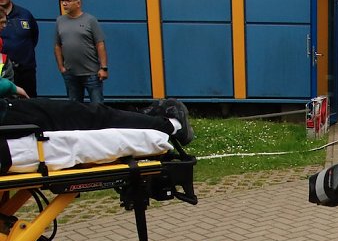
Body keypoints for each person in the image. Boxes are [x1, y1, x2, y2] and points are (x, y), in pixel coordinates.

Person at [0, 73, 194, 146]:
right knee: (93, 116)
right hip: (8, 116)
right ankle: (170, 126)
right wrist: (9, 87)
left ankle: (147, 119)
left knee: (91, 113)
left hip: (9, 112)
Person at [54, 0, 108, 104]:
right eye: (62, 0)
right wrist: (61, 67)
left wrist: (103, 68)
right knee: (74, 108)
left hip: (92, 74)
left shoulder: (90, 20)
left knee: (98, 106)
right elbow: (57, 45)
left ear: (78, 3)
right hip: (70, 74)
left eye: (67, 1)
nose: (64, 3)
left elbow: (100, 44)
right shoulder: (60, 21)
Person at [0, 0, 38, 97]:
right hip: (4, 74)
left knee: (30, 105)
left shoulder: (25, 14)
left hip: (25, 71)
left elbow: (34, 37)